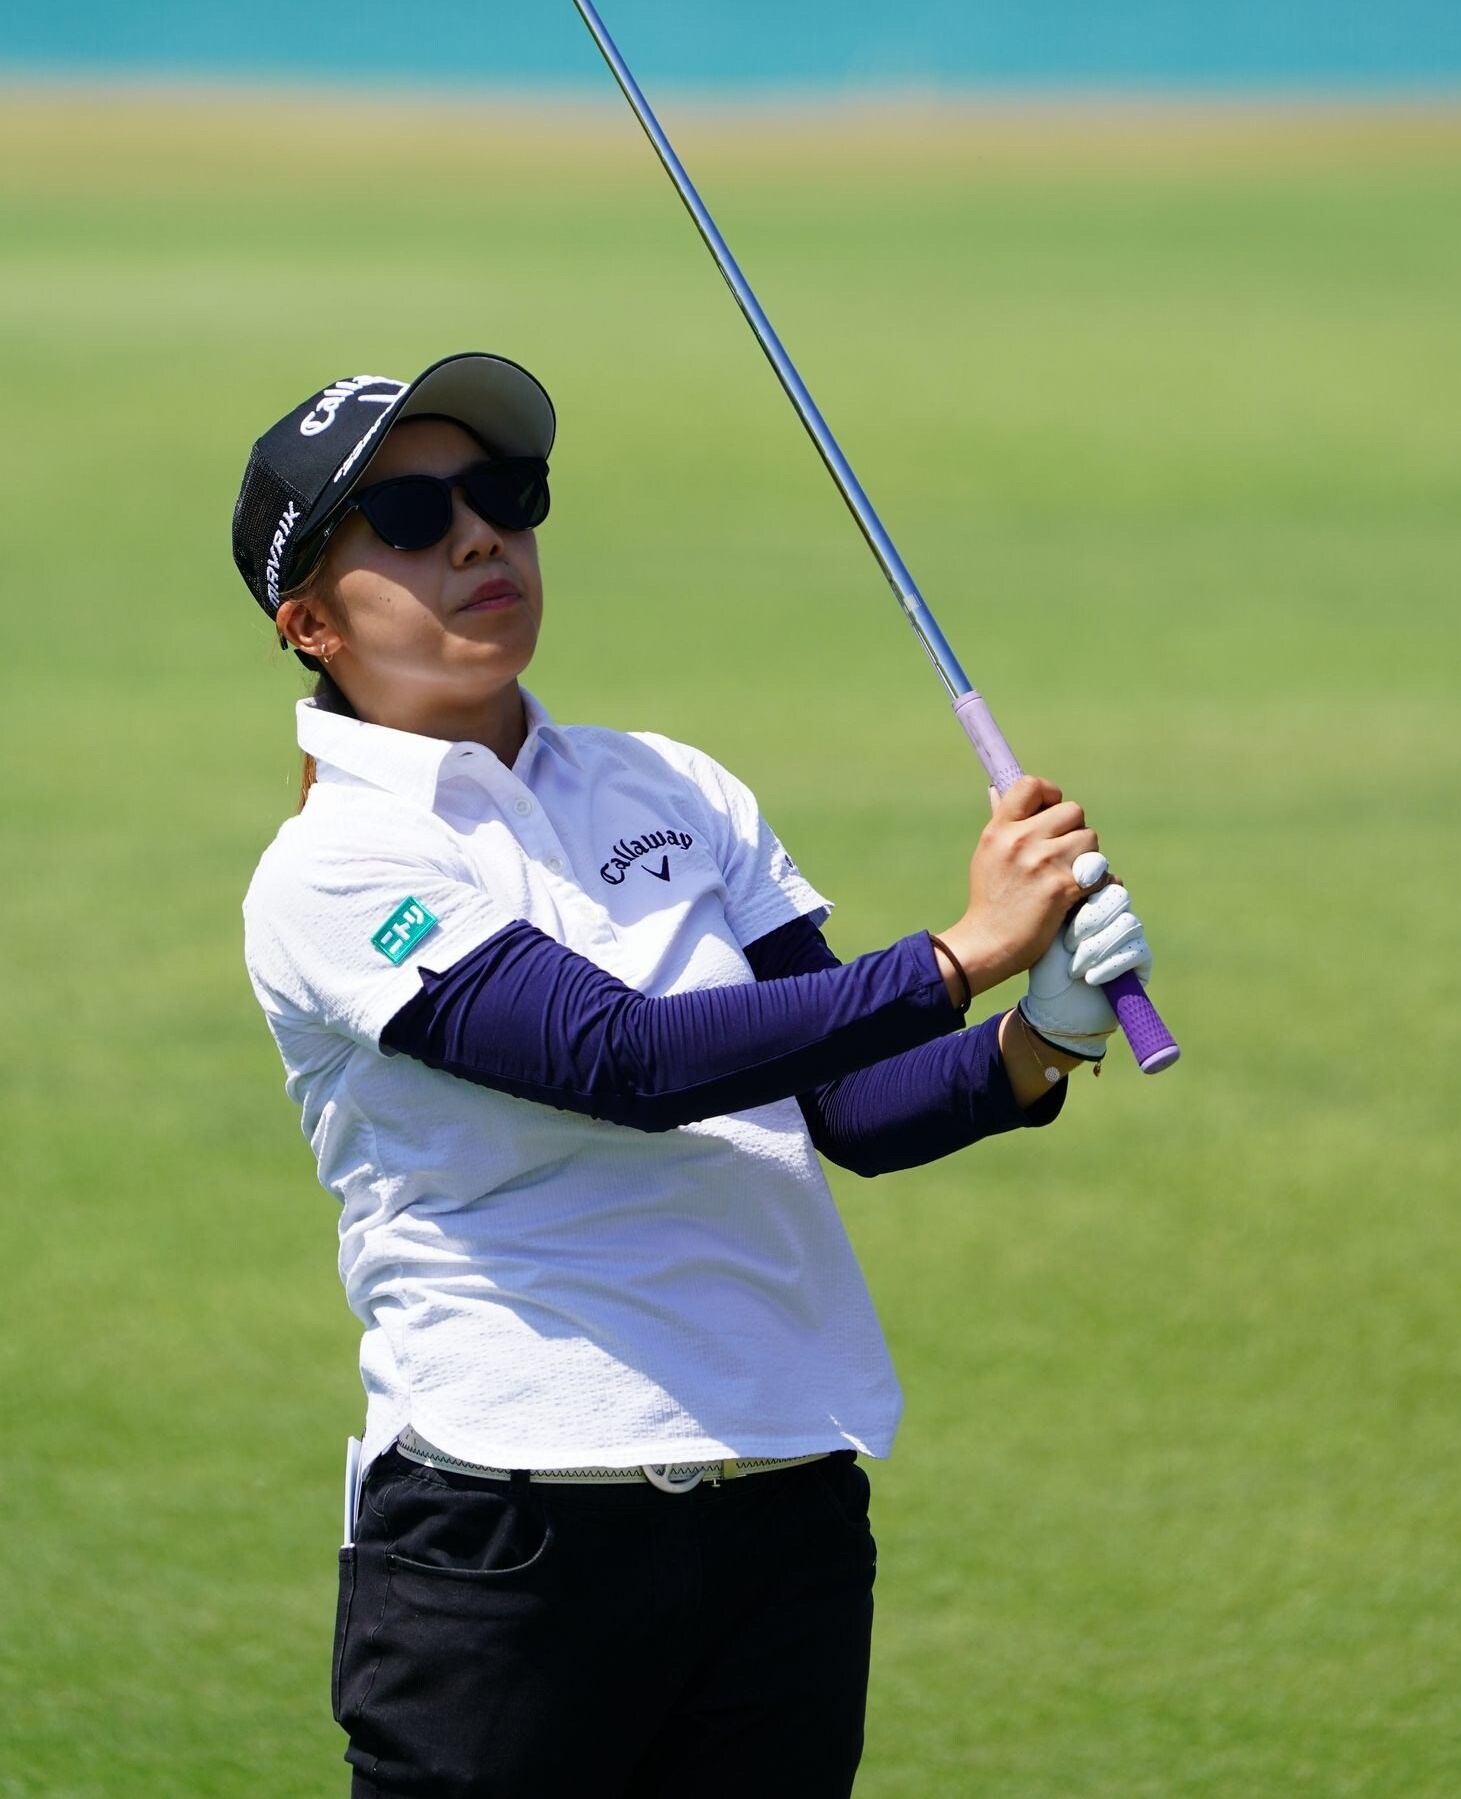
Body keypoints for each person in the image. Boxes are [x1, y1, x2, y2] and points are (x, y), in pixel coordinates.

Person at [233, 354, 1153, 1799]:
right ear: (308, 623)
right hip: (507, 1538)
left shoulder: (671, 784)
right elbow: (626, 1062)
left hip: (782, 1505)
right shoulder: (335, 868)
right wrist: (964, 952)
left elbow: (846, 1107)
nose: (478, 537)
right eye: (409, 519)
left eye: (504, 495)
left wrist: (1045, 1035)